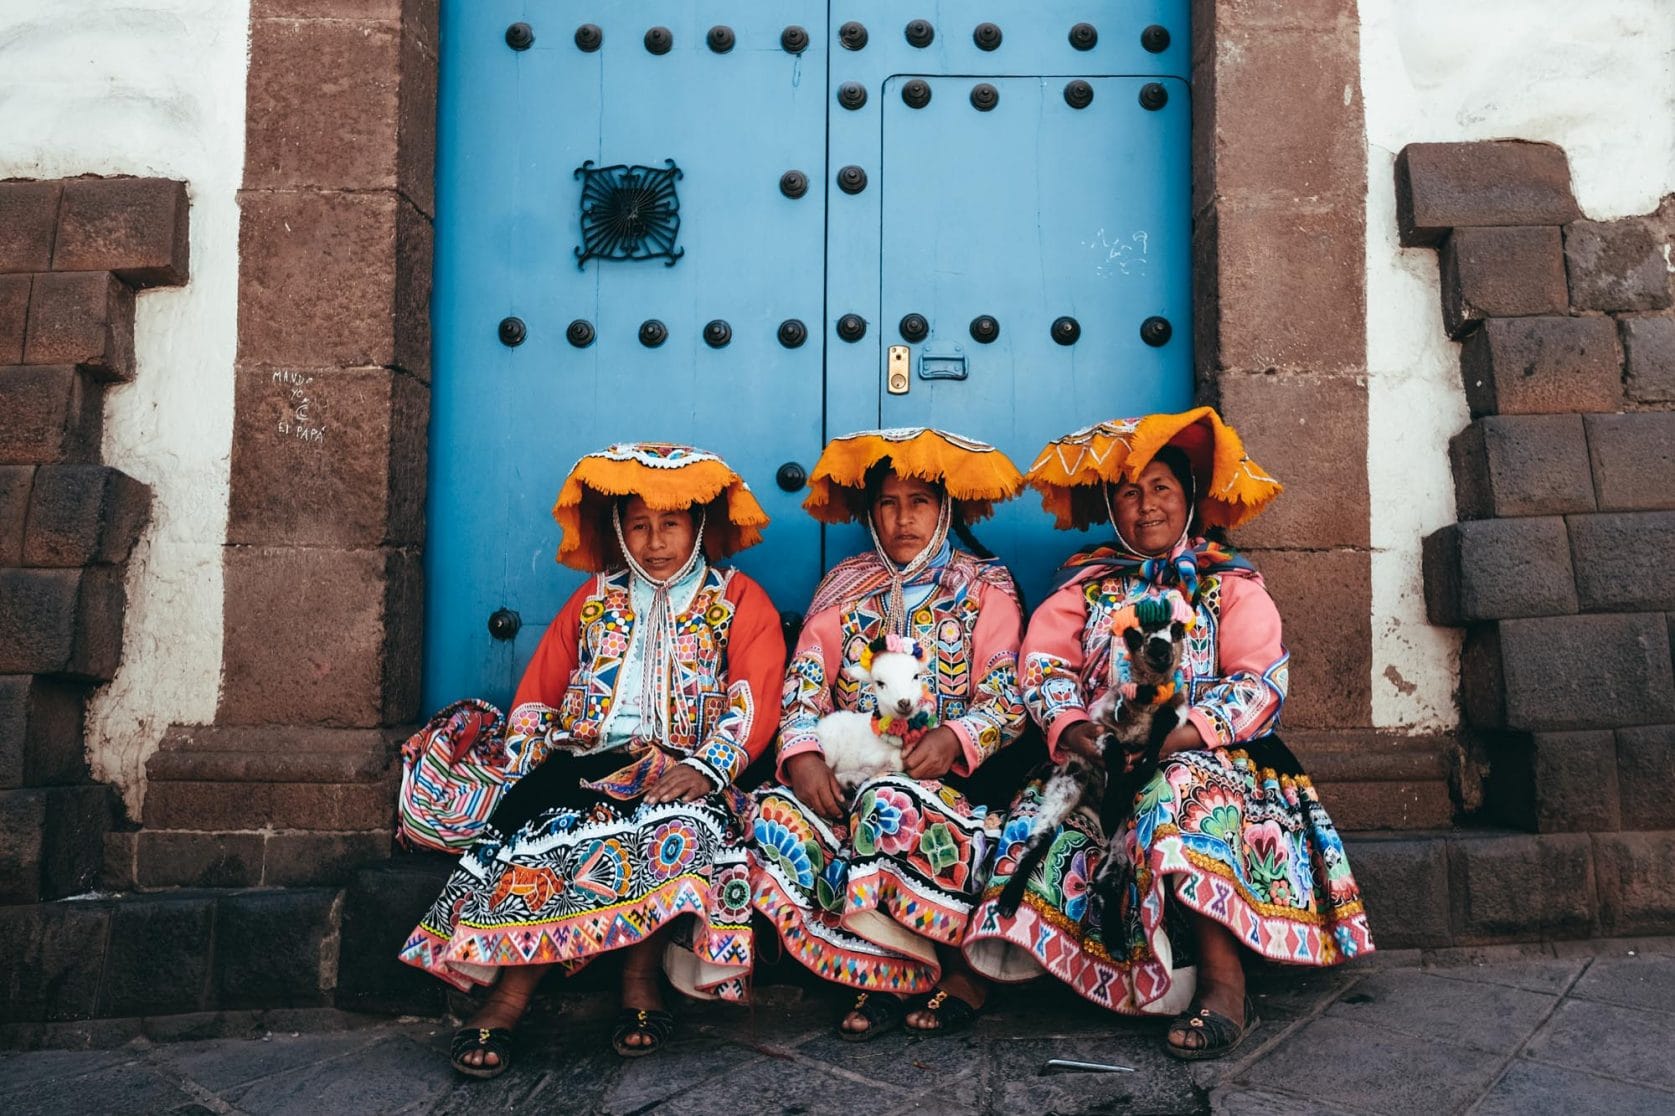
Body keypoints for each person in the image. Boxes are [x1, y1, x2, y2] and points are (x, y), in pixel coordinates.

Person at [962, 408, 1375, 1060]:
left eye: (1160, 488)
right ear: (1109, 504)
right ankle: (1010, 969)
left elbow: (1258, 680)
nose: (1145, 506)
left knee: (1178, 794)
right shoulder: (1086, 585)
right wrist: (1075, 732)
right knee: (1042, 810)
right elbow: (1043, 671)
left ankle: (1221, 984)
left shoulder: (1228, 583)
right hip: (1104, 755)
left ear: (1187, 498)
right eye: (1127, 492)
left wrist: (1182, 736)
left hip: (1213, 758)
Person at [400, 443, 786, 1077]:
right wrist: (529, 762)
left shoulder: (739, 600)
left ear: (697, 527)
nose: (656, 541)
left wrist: (710, 766)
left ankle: (639, 980)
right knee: (546, 833)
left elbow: (755, 694)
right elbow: (539, 691)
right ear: (618, 531)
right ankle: (511, 995)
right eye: (639, 525)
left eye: (670, 524)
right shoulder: (595, 598)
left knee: (681, 831)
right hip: (586, 761)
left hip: (686, 766)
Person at [750, 428, 1029, 1040]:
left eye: (920, 502)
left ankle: (958, 969)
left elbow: (1009, 696)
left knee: (889, 808)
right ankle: (881, 965)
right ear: (870, 512)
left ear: (945, 509)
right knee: (770, 814)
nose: (904, 519)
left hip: (954, 785)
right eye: (888, 503)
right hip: (851, 776)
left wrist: (957, 737)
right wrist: (803, 757)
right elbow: (803, 689)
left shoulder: (984, 593)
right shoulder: (842, 592)